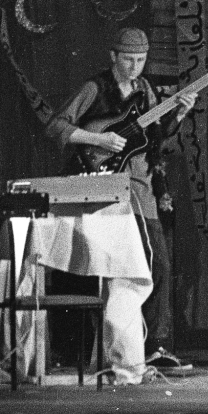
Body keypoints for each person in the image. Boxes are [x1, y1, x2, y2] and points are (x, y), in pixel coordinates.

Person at [46, 27, 195, 374]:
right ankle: (116, 350)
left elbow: (153, 137)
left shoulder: (146, 90)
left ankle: (153, 347)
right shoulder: (94, 89)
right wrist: (98, 139)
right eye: (128, 59)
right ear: (113, 56)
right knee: (111, 270)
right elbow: (56, 127)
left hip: (142, 187)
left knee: (158, 265)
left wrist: (178, 115)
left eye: (141, 60)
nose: (134, 67)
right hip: (103, 187)